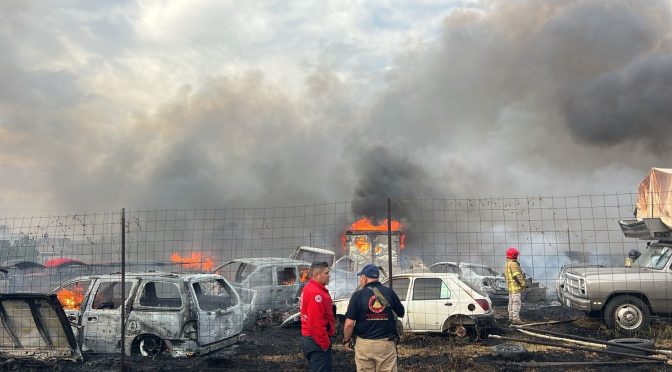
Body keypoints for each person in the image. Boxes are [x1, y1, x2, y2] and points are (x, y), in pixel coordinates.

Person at [342, 264, 405, 372]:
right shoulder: (389, 292)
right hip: (385, 345)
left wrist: (346, 340)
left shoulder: (357, 296)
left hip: (364, 345)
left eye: (360, 278)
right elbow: (401, 313)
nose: (360, 281)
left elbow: (349, 324)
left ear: (364, 278)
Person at [300, 261, 334, 372]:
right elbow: (315, 323)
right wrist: (325, 344)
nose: (329, 275)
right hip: (317, 341)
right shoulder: (316, 294)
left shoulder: (311, 288)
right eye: (326, 273)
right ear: (316, 275)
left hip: (312, 340)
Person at [504, 247, 526, 325]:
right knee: (516, 303)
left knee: (511, 303)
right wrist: (523, 284)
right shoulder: (513, 263)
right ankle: (516, 319)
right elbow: (517, 276)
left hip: (510, 288)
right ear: (515, 255)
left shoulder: (507, 263)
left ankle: (511, 318)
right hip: (515, 288)